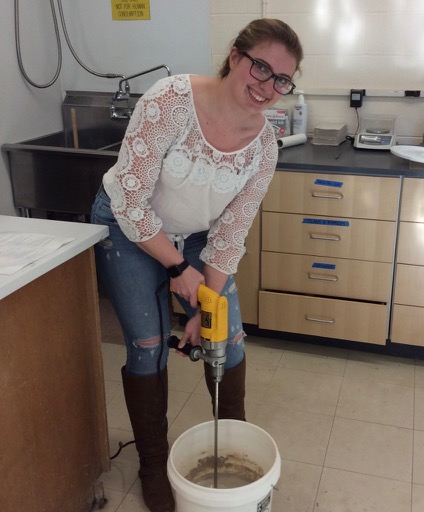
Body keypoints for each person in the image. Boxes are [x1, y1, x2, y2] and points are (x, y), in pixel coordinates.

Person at [91, 17, 303, 512]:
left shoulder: (264, 148)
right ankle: (151, 462)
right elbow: (131, 198)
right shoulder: (171, 102)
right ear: (236, 57)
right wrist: (175, 271)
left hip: (199, 236)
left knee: (223, 337)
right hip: (129, 222)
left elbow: (230, 233)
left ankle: (229, 444)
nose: (267, 86)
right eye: (260, 67)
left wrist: (204, 306)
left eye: (282, 80)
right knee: (147, 345)